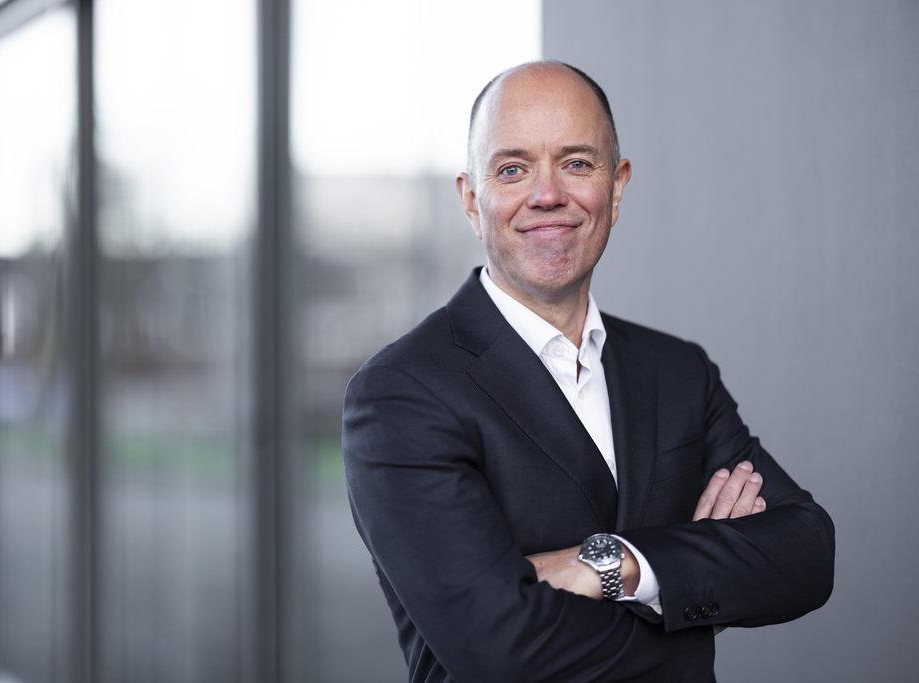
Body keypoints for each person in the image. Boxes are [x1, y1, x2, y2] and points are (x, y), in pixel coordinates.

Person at [341, 60, 834, 683]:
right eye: (513, 169)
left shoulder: (678, 371)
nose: (547, 194)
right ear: (471, 200)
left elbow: (807, 552)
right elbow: (498, 651)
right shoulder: (400, 394)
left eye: (576, 163)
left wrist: (614, 563)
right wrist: (690, 593)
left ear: (617, 187)